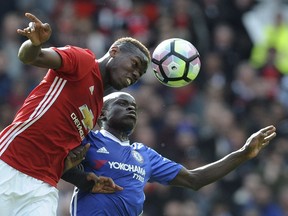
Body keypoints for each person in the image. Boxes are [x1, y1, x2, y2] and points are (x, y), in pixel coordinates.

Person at [0, 12, 150, 216]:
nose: (134, 75)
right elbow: (29, 57)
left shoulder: (97, 109)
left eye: (139, 75)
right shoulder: (83, 61)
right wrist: (34, 44)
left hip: (43, 188)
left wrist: (86, 180)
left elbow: (64, 161)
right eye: (134, 65)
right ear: (114, 51)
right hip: (11, 164)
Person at [62, 91, 277, 216]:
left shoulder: (144, 154)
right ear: (101, 116)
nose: (131, 109)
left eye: (135, 107)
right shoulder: (89, 139)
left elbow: (195, 179)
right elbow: (56, 162)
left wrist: (243, 153)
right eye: (122, 104)